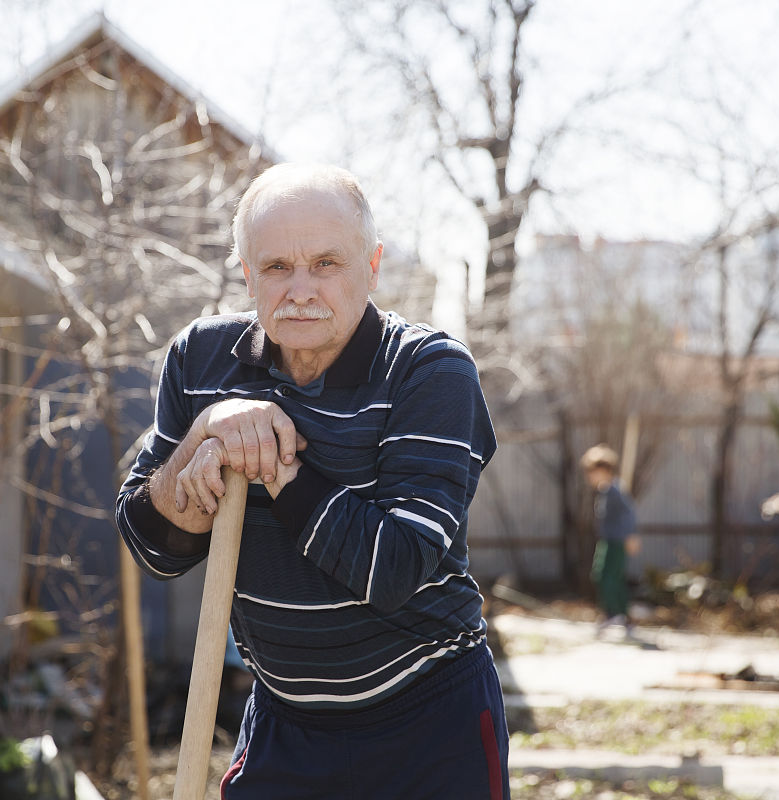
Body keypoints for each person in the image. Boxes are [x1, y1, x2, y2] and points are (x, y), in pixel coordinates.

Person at [115, 163, 509, 799]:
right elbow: (151, 544)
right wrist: (208, 428)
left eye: (327, 263)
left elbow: (394, 569)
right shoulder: (202, 362)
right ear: (246, 273)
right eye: (276, 268)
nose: (301, 290)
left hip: (428, 719)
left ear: (372, 265)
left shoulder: (430, 373)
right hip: (285, 723)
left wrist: (276, 462)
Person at [580, 444, 637, 636]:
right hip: (606, 540)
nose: (590, 477)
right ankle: (615, 615)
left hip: (617, 541)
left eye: (592, 472)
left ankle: (617, 614)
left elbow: (628, 514)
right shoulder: (603, 491)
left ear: (604, 470)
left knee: (610, 577)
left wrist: (630, 536)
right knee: (603, 575)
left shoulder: (615, 490)